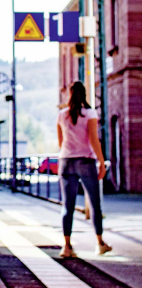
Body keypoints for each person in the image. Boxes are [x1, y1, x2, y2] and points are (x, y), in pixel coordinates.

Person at [57, 81, 112, 258]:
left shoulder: (61, 115)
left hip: (65, 161)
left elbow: (60, 142)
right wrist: (102, 163)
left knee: (68, 205)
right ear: (84, 95)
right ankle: (100, 243)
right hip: (85, 162)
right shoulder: (89, 113)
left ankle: (67, 246)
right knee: (95, 204)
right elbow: (93, 140)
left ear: (70, 95)